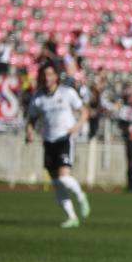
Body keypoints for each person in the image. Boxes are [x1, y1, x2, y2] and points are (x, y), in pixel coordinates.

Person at [25, 62, 90, 228]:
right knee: (56, 183)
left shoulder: (67, 93)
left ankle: (80, 195)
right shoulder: (38, 97)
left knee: (63, 178)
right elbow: (31, 119)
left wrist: (77, 126)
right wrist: (29, 132)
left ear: (55, 76)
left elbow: (84, 111)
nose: (47, 78)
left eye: (50, 74)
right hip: (49, 141)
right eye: (44, 75)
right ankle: (71, 217)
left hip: (64, 139)